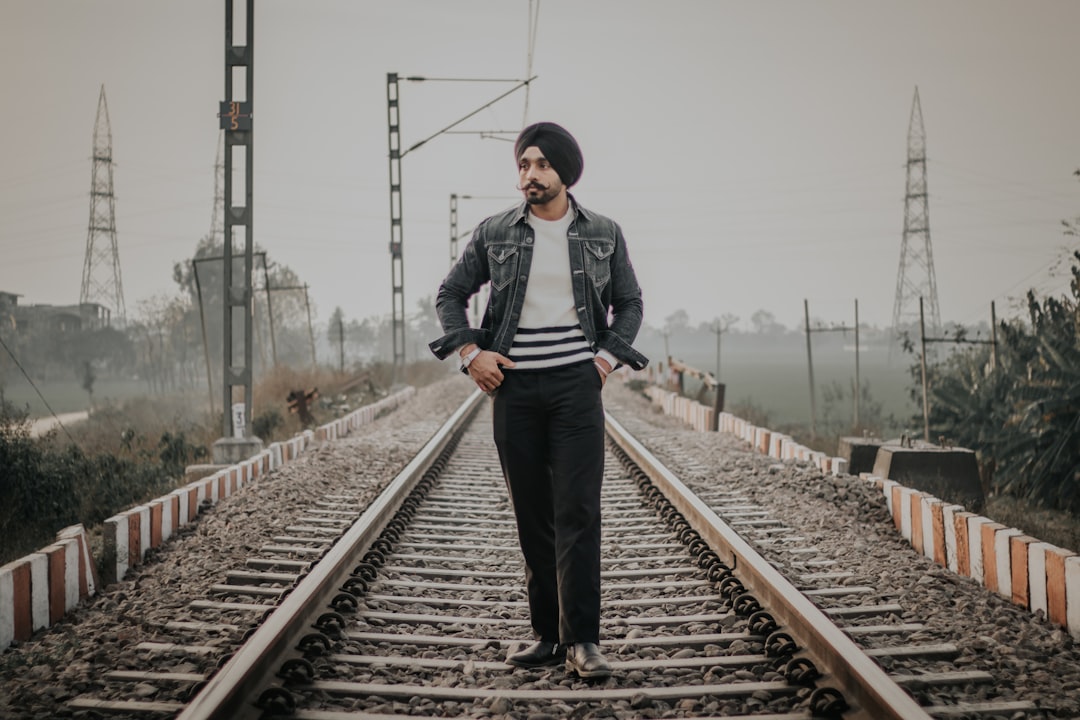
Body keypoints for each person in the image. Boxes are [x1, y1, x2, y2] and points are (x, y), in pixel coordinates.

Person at [429, 122, 648, 680]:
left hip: (578, 387)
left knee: (577, 510)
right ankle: (548, 637)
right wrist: (469, 353)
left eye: (542, 165)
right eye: (524, 165)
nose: (531, 175)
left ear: (565, 173)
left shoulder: (603, 231)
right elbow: (451, 294)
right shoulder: (495, 232)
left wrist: (605, 360)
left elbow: (629, 302)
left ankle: (584, 641)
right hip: (515, 389)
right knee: (533, 516)